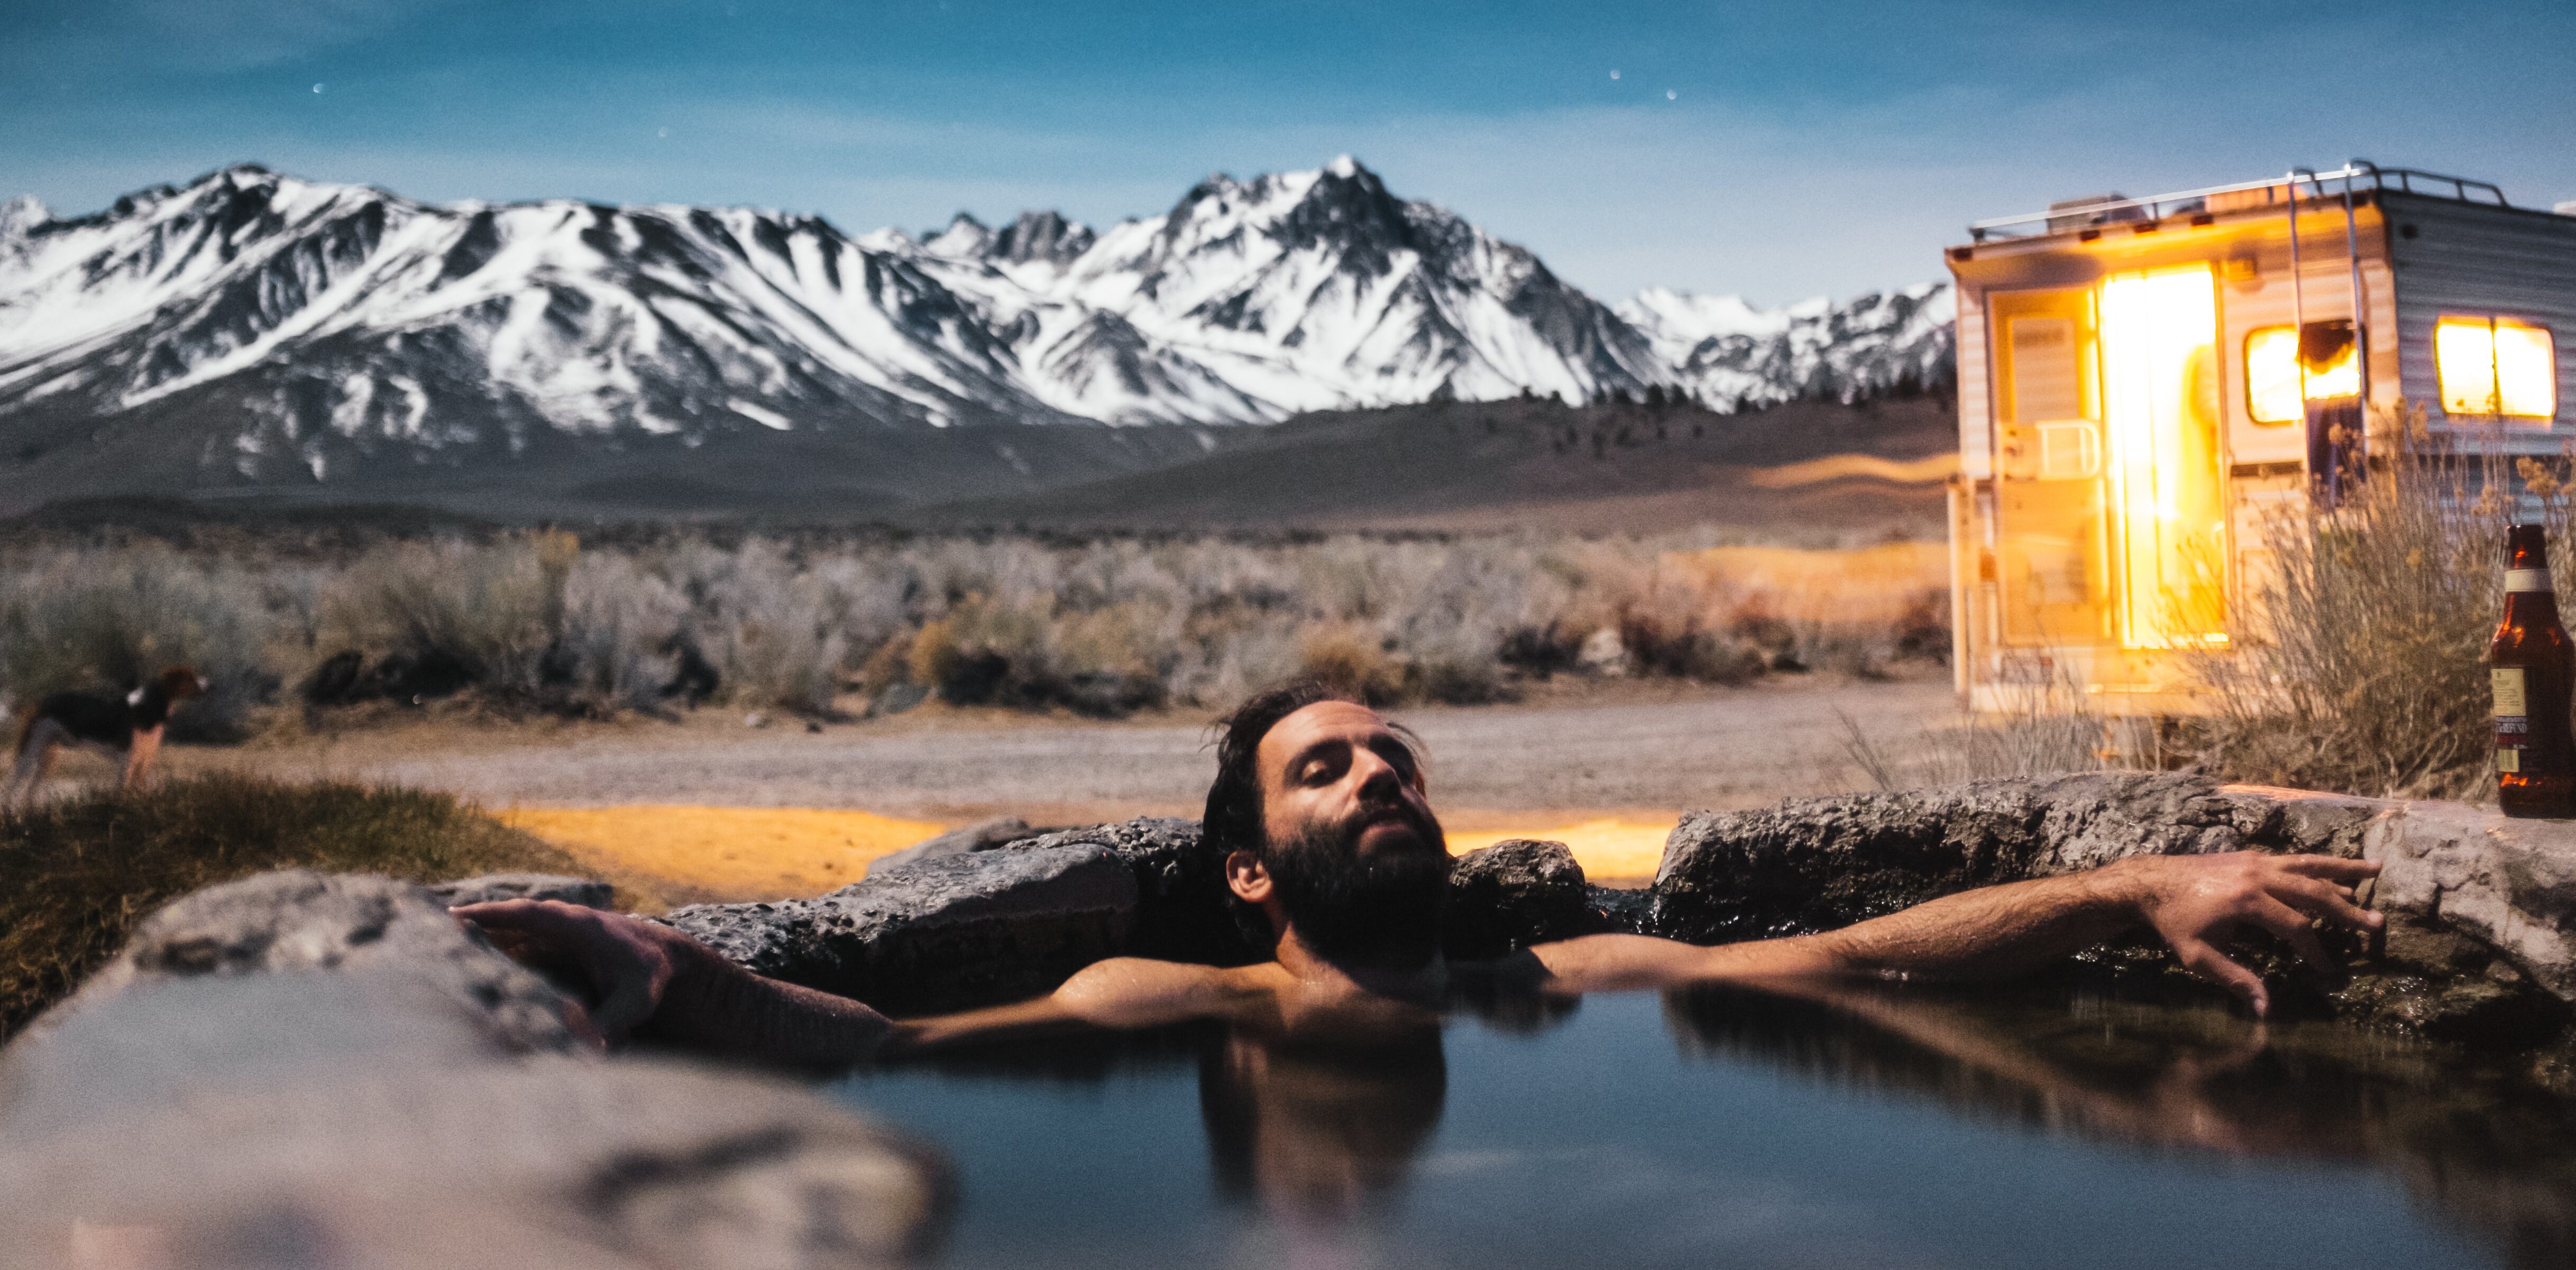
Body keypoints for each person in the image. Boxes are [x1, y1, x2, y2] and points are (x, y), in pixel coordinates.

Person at [455, 678, 2383, 1066]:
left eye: (1398, 755)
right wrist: (660, 969)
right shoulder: (1158, 1007)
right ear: (1242, 874)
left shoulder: (1566, 986)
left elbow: (1871, 953)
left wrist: (2138, 891)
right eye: (1327, 763)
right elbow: (875, 1050)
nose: (1380, 770)